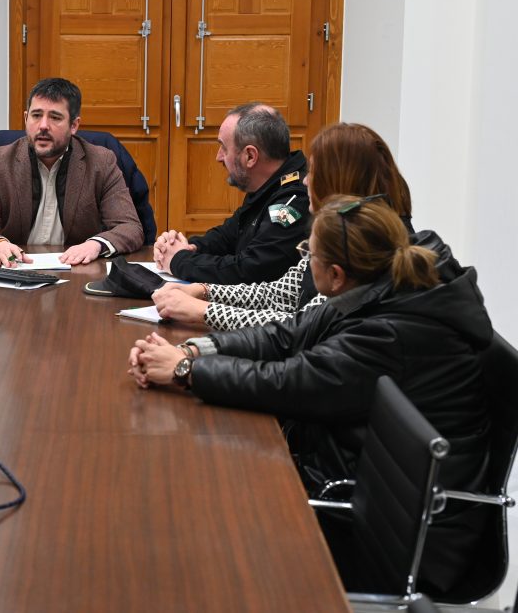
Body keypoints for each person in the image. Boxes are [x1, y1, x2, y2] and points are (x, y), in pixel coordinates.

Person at [129, 195, 491, 593]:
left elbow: (288, 381)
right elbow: (287, 336)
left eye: (308, 253)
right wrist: (194, 351)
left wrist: (185, 371)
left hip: (388, 530)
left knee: (198, 527)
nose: (304, 260)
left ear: (335, 274)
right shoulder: (375, 284)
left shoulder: (390, 331)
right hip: (352, 472)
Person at [151, 123, 416, 329]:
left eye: (314, 173)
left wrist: (202, 311)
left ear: (339, 183)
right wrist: (203, 290)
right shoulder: (342, 227)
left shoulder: (368, 244)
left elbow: (301, 326)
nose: (305, 182)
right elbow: (281, 292)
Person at [0, 77, 144, 267]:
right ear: (26, 118)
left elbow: (130, 227)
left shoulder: (101, 162)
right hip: (16, 269)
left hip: (77, 271)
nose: (43, 126)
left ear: (74, 125)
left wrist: (95, 245)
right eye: (36, 115)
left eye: (55, 117)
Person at [154, 103, 310, 284]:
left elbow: (251, 271)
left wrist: (179, 261)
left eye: (224, 148)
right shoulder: (269, 184)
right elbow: (227, 237)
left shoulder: (293, 201)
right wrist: (186, 247)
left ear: (250, 156)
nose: (218, 157)